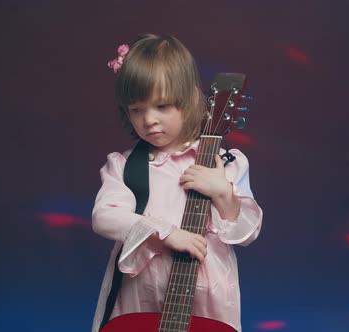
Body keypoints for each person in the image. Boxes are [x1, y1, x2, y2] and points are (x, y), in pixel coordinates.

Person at [90, 34, 263, 332]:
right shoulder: (125, 166)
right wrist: (167, 233)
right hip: (139, 299)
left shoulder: (227, 163)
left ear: (192, 99)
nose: (150, 120)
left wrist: (224, 194)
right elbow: (105, 217)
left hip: (208, 300)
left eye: (162, 106)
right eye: (137, 109)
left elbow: (247, 232)